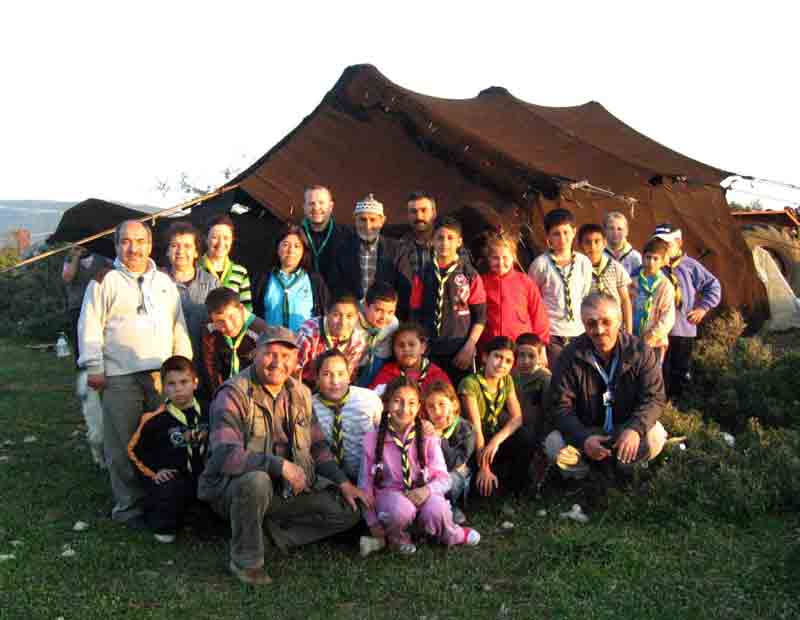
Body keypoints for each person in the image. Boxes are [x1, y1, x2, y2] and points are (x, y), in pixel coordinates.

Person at [198, 327, 366, 586]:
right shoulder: (233, 393)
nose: (278, 362)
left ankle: (268, 536)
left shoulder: (300, 393)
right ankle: (246, 561)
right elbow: (224, 456)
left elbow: (319, 448)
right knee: (256, 481)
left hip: (286, 491)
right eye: (270, 353)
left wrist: (343, 483)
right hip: (233, 490)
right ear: (255, 354)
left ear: (296, 359)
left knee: (351, 509)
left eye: (286, 355)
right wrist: (279, 466)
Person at [79, 220, 192, 527]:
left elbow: (177, 323)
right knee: (122, 443)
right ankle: (128, 507)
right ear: (116, 246)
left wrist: (183, 363)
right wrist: (94, 367)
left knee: (158, 441)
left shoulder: (164, 283)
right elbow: (89, 326)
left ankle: (159, 498)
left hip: (160, 375)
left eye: (139, 241)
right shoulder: (105, 281)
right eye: (126, 241)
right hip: (118, 376)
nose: (133, 247)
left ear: (150, 244)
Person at [545, 293, 668, 484]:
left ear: (619, 321)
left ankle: (625, 469)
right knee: (554, 444)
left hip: (625, 428)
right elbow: (560, 406)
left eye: (606, 322)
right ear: (583, 324)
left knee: (656, 434)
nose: (599, 330)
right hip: (587, 430)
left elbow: (654, 398)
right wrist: (583, 438)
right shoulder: (569, 356)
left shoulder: (640, 351)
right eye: (591, 324)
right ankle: (585, 477)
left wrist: (635, 429)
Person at [358, 377, 480, 555]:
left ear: (418, 406)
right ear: (386, 404)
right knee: (400, 509)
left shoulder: (427, 435)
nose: (405, 409)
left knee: (437, 509)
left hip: (423, 492)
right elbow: (364, 485)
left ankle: (452, 534)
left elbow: (444, 479)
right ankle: (398, 539)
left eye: (412, 403)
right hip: (391, 497)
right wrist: (372, 523)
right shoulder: (372, 439)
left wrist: (427, 491)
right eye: (397, 401)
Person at [127, 355, 208, 543]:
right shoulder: (154, 420)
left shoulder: (210, 411)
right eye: (171, 384)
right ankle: (165, 526)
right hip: (175, 479)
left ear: (195, 383)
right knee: (167, 487)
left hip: (206, 476)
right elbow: (135, 451)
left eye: (184, 382)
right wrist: (155, 472)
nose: (178, 388)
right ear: (163, 387)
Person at [410, 216, 486, 387]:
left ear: (459, 242)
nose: (445, 243)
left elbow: (480, 317)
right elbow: (414, 316)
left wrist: (469, 346)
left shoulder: (470, 274)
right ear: (432, 241)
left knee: (460, 396)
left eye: (450, 238)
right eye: (440, 237)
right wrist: (420, 349)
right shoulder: (422, 274)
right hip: (430, 351)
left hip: (460, 351)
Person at [652, 224, 722, 398]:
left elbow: (713, 286)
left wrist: (702, 308)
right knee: (658, 369)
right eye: (659, 243)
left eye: (667, 244)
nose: (663, 248)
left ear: (679, 243)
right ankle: (659, 403)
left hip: (683, 329)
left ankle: (678, 407)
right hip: (659, 329)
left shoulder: (690, 266)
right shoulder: (654, 264)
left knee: (679, 370)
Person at [459, 337, 534, 497]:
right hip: (473, 442)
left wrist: (496, 441)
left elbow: (517, 418)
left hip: (492, 437)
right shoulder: (469, 384)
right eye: (498, 357)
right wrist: (484, 468)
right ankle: (483, 477)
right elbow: (476, 428)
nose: (502, 364)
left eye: (508, 361)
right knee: (482, 493)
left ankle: (514, 488)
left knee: (525, 437)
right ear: (486, 357)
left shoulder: (506, 380)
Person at [62, 245, 112, 467]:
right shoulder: (69, 257)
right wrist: (73, 256)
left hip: (100, 309)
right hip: (77, 309)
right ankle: (86, 380)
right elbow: (67, 277)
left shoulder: (102, 258)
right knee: (83, 353)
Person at [527, 208, 592, 369]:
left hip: (579, 332)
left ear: (574, 232)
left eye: (566, 232)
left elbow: (584, 295)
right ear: (548, 237)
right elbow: (532, 301)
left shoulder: (584, 263)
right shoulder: (540, 265)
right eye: (556, 234)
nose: (562, 238)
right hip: (552, 334)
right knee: (558, 377)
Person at [312, 350, 384, 482]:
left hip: (370, 477)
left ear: (349, 375)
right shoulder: (310, 406)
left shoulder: (368, 400)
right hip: (330, 479)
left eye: (341, 374)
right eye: (326, 374)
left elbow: (385, 432)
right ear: (317, 378)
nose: (335, 381)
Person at [163, 222, 220, 374]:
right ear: (168, 251)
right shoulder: (156, 281)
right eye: (175, 245)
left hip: (204, 367)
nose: (181, 251)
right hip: (169, 367)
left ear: (196, 252)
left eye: (187, 246)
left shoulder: (212, 283)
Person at [478, 232, 549, 352]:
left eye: (505, 257)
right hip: (491, 346)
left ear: (513, 257)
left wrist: (541, 345)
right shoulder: (482, 282)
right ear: (488, 259)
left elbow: (538, 315)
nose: (500, 263)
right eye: (495, 258)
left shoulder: (525, 281)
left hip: (521, 347)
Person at [253, 223, 329, 332]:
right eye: (285, 245)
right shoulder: (263, 278)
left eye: (297, 246)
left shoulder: (314, 280)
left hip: (304, 344)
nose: (291, 251)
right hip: (271, 343)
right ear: (277, 247)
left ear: (304, 251)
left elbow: (324, 315)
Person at [422, 380, 475, 525]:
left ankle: (452, 507)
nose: (437, 411)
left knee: (450, 481)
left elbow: (454, 463)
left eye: (442, 404)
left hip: (458, 474)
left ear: (454, 404)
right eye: (431, 407)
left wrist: (440, 438)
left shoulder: (465, 429)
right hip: (433, 474)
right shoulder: (426, 427)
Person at [202, 287, 268, 393]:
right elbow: (211, 367)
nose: (228, 326)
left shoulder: (259, 330)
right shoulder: (210, 330)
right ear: (211, 318)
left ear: (241, 309)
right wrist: (219, 394)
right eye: (220, 321)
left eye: (232, 317)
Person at [295, 293, 368, 388]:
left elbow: (347, 375)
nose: (343, 322)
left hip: (335, 386)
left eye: (349, 316)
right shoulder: (309, 332)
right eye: (336, 315)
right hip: (305, 384)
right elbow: (296, 369)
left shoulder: (358, 342)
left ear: (357, 317)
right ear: (326, 312)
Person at [335, 194, 399, 301]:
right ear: (355, 220)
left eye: (373, 220)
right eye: (363, 220)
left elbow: (401, 288)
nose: (368, 226)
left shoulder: (396, 249)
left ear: (382, 221)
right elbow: (336, 286)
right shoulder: (342, 249)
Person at [369, 322, 452, 396]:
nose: (406, 349)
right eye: (401, 345)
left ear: (423, 347)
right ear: (394, 350)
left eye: (412, 344)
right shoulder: (388, 372)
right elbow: (372, 400)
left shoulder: (437, 375)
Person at [578, 223, 633, 334]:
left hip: (615, 326)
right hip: (590, 326)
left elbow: (625, 300)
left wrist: (629, 331)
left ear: (604, 243)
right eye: (587, 242)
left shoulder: (615, 267)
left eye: (597, 241)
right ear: (580, 245)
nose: (593, 247)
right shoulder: (578, 269)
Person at [629, 238, 676, 365]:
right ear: (642, 257)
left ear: (662, 261)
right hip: (632, 339)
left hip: (655, 342)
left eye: (655, 259)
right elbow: (625, 307)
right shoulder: (633, 282)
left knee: (651, 377)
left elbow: (668, 317)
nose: (651, 262)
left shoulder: (666, 286)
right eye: (648, 257)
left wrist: (652, 335)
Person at [300, 185, 354, 291]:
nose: (316, 208)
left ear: (331, 206)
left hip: (336, 300)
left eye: (321, 203)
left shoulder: (348, 236)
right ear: (304, 207)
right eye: (311, 203)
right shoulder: (294, 236)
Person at [200, 215, 253, 312]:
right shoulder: (194, 268)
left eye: (226, 238)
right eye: (215, 237)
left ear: (232, 240)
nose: (221, 243)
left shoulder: (240, 272)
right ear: (206, 239)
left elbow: (247, 309)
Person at [356, 281, 399, 387]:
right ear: (366, 305)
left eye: (390, 312)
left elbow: (379, 357)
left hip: (368, 366)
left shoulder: (392, 324)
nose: (384, 317)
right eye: (379, 310)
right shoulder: (351, 318)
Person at [512, 333, 552, 442]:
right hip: (512, 429)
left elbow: (548, 414)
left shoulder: (545, 379)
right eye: (521, 355)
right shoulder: (510, 376)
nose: (525, 361)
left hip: (535, 435)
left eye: (531, 356)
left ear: (539, 357)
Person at [603, 211, 642, 276]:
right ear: (604, 230)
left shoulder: (635, 257)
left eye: (619, 229)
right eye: (611, 228)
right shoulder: (599, 255)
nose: (615, 233)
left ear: (626, 231)